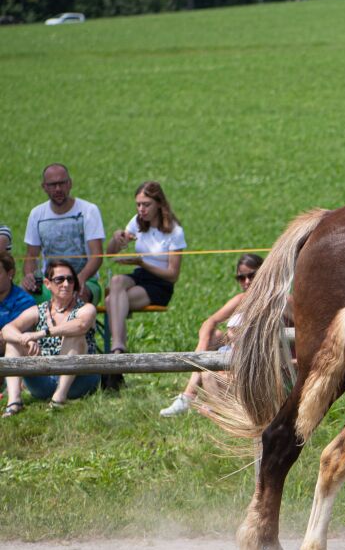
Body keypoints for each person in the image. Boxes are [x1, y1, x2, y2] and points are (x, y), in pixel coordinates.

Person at [160, 253, 264, 417]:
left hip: (254, 360)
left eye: (252, 276)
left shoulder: (274, 300)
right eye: (241, 278)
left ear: (263, 273)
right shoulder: (241, 299)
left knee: (208, 372)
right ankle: (190, 396)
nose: (247, 282)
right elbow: (210, 321)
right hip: (233, 353)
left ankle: (193, 398)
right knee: (212, 335)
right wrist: (202, 347)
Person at [2, 259, 100, 415]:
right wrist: (24, 341)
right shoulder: (38, 310)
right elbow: (7, 329)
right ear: (48, 284)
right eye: (60, 280)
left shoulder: (86, 308)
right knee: (13, 344)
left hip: (79, 380)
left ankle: (59, 399)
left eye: (70, 279)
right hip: (44, 380)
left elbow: (80, 325)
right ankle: (14, 402)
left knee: (73, 336)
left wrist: (41, 333)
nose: (66, 284)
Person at [104, 181, 186, 357]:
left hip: (160, 284)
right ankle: (118, 348)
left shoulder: (175, 232)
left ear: (159, 204)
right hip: (140, 275)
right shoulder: (137, 222)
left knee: (112, 301)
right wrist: (116, 237)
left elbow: (173, 275)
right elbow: (110, 253)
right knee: (116, 281)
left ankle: (117, 349)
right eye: (138, 204)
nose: (141, 209)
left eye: (146, 204)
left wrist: (142, 263)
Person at [22, 164, 105, 304]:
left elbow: (97, 255)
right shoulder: (37, 214)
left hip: (85, 281)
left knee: (76, 297)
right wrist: (29, 275)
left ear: (70, 184)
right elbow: (31, 255)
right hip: (49, 282)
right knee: (21, 298)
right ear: (44, 187)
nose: (58, 189)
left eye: (62, 183)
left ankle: (76, 325)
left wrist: (81, 278)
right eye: (53, 185)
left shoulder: (89, 210)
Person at [1, 251, 38, 410]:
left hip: (13, 350)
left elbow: (23, 337)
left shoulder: (24, 301)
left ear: (10, 274)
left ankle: (13, 394)